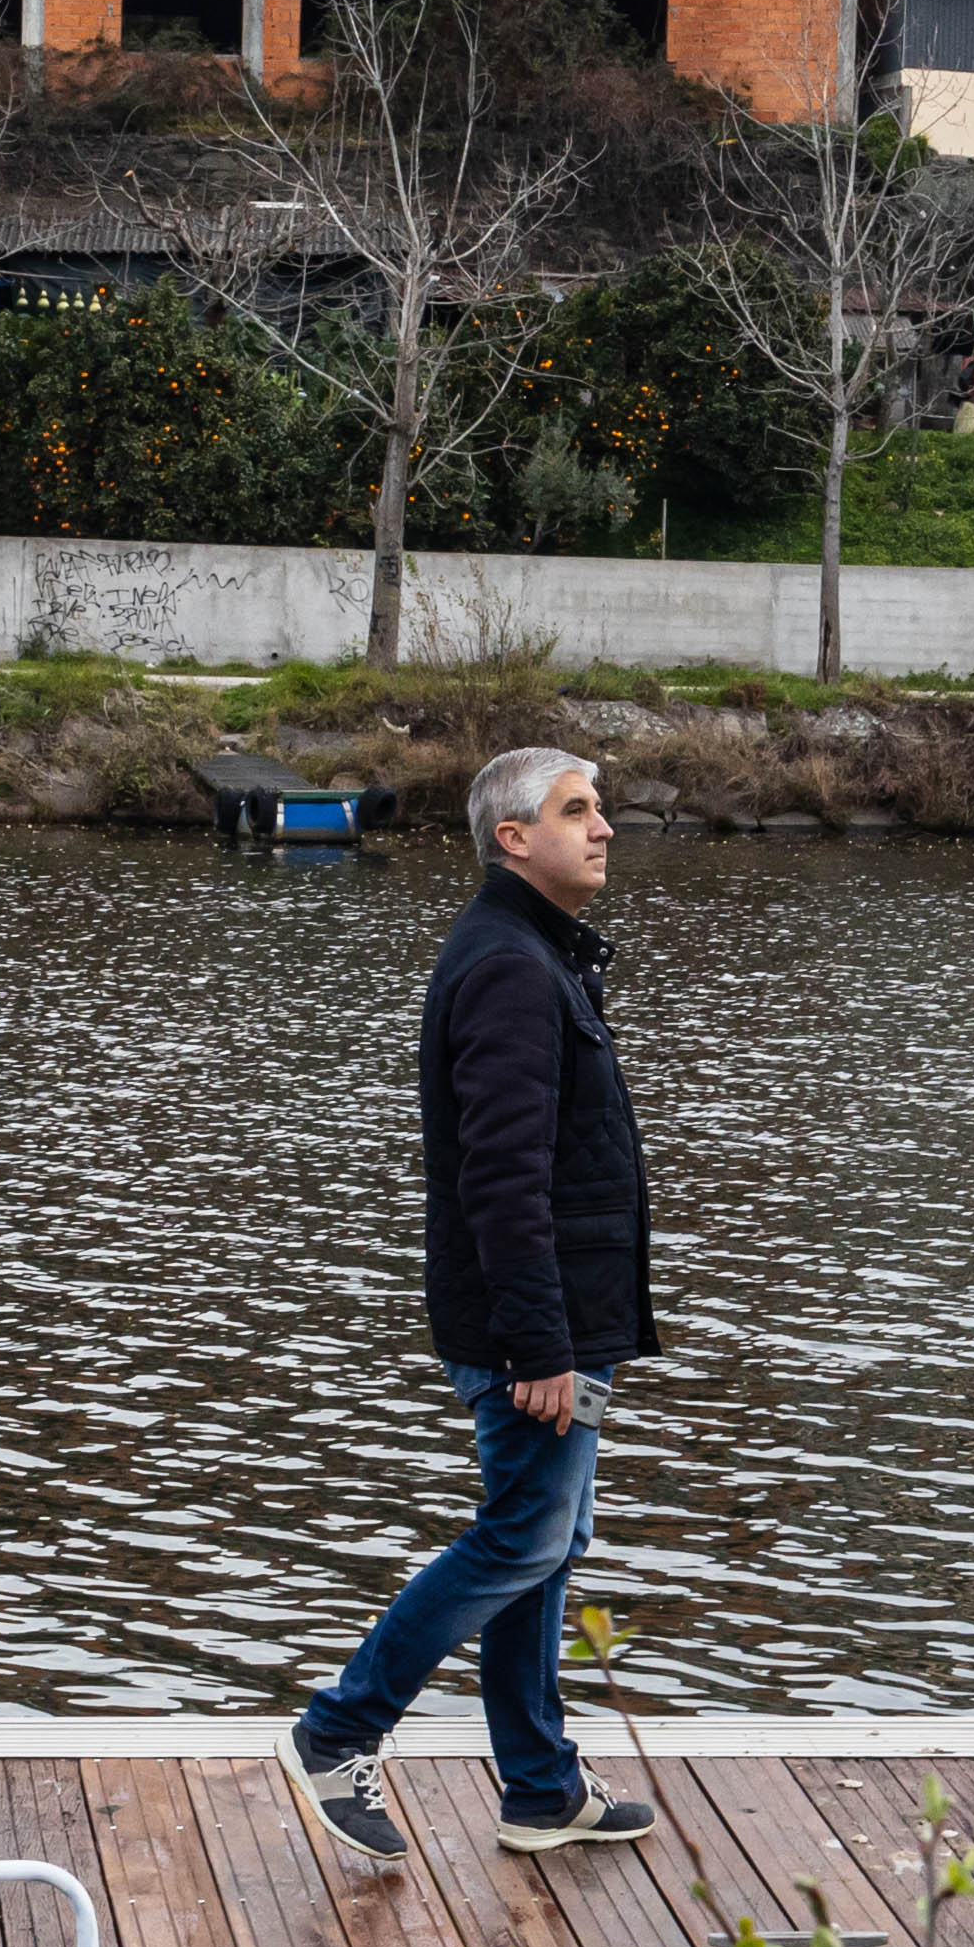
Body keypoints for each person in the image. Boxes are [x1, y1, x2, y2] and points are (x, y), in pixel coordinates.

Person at [284, 746, 659, 1873]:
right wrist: (538, 1344)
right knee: (526, 1535)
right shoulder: (508, 967)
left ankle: (541, 1789)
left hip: (557, 1319)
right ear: (512, 838)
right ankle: (340, 1729)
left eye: (598, 809)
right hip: (530, 1331)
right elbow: (501, 1177)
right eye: (575, 810)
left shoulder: (533, 952)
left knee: (548, 1543)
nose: (602, 828)